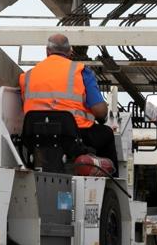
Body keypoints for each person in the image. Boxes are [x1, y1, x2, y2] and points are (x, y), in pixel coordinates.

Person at [19, 34, 118, 171]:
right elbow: (100, 112)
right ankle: (111, 183)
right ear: (70, 51)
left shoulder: (27, 76)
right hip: (75, 136)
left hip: (37, 138)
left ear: (47, 51)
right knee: (106, 133)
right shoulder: (81, 71)